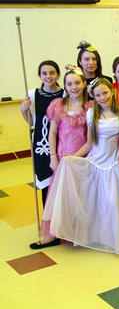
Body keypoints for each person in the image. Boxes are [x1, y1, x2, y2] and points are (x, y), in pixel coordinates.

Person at [33, 79, 119, 254]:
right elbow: (90, 143)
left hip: (113, 164)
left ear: (112, 92)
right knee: (92, 203)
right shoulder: (91, 114)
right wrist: (72, 157)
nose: (102, 97)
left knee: (112, 203)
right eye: (98, 95)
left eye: (105, 93)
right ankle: (91, 236)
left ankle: (114, 240)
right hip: (94, 161)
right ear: (94, 97)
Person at [30, 67, 93, 249]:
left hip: (81, 158)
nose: (74, 87)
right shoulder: (58, 105)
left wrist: (75, 157)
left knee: (81, 195)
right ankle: (53, 233)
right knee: (60, 196)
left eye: (77, 83)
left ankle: (80, 232)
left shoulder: (90, 107)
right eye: (69, 83)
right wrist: (52, 157)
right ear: (64, 86)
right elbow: (52, 134)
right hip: (62, 158)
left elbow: (90, 138)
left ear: (83, 84)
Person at [20, 60, 64, 207]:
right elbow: (32, 122)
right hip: (41, 145)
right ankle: (47, 220)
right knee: (45, 183)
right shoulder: (33, 94)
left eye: (52, 73)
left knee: (61, 183)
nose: (48, 76)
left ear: (58, 75)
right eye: (44, 73)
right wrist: (23, 110)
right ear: (39, 76)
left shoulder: (64, 94)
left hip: (60, 144)